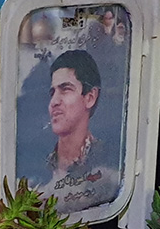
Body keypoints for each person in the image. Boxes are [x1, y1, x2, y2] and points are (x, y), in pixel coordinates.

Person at [41, 49, 119, 213]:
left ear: (90, 97)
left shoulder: (110, 164)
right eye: (52, 92)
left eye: (65, 89)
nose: (54, 101)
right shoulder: (37, 167)